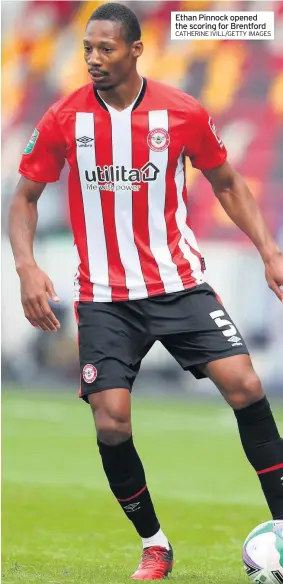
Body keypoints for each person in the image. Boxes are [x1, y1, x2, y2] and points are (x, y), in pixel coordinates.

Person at [9, 3, 283, 580]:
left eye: (105, 49)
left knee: (246, 383)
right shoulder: (64, 118)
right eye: (87, 48)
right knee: (111, 421)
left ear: (135, 50)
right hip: (105, 296)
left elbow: (228, 182)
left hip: (179, 284)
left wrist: (269, 250)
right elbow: (26, 198)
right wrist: (27, 267)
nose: (92, 59)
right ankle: (155, 543)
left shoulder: (181, 113)